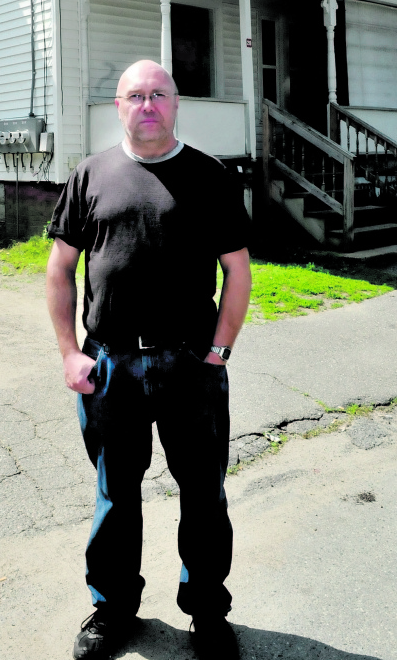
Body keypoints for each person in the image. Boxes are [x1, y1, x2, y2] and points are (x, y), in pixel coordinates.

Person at [46, 59, 252, 660]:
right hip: (110, 366)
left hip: (190, 365)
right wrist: (68, 353)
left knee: (204, 493)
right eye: (135, 96)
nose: (148, 106)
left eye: (158, 94)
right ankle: (112, 609)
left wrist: (219, 350)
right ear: (119, 106)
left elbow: (237, 271)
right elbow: (60, 271)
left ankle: (208, 612)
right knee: (116, 491)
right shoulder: (91, 174)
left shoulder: (209, 176)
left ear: (176, 102)